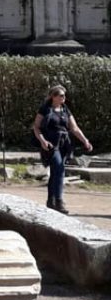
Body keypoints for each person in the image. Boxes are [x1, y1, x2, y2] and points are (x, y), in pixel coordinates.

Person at [33, 85, 92, 214]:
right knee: (59, 169)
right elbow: (36, 127)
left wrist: (85, 141)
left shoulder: (65, 110)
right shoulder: (45, 109)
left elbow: (74, 128)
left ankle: (51, 201)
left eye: (64, 95)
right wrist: (42, 141)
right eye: (60, 95)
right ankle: (59, 201)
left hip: (64, 144)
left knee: (56, 172)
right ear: (53, 96)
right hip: (50, 144)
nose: (63, 97)